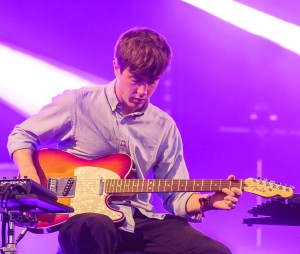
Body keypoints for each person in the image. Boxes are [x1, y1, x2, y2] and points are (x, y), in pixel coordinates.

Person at [7, 27, 242, 254]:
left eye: (152, 82)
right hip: (82, 218)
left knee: (215, 251)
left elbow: (175, 196)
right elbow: (23, 134)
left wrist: (209, 202)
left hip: (137, 219)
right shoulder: (78, 103)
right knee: (95, 226)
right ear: (117, 68)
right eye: (137, 79)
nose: (143, 91)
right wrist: (28, 171)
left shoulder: (164, 126)